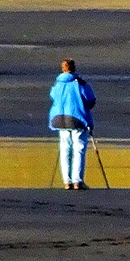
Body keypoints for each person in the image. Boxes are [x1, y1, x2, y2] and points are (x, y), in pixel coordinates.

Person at [47, 59, 96, 189]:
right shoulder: (79, 83)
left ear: (63, 69)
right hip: (77, 119)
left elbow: (53, 96)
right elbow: (90, 100)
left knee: (65, 150)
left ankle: (67, 181)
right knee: (78, 150)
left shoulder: (57, 83)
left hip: (59, 119)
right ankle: (77, 181)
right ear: (74, 68)